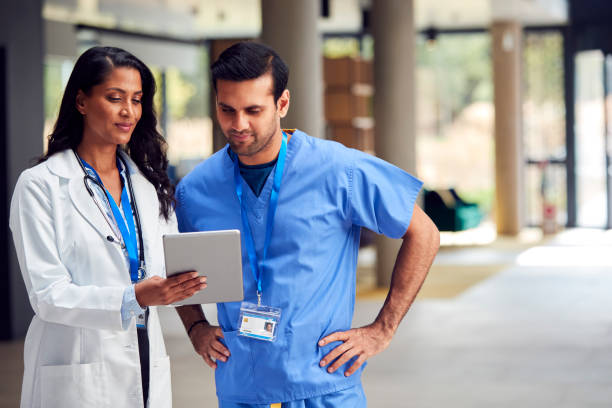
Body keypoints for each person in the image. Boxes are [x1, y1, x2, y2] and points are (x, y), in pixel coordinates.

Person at [175, 41, 440, 407]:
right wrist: (195, 327)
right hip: (242, 385)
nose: (238, 125)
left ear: (282, 103)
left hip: (325, 382)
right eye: (226, 110)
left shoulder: (339, 169)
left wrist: (383, 328)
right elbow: (177, 270)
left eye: (253, 110)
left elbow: (424, 233)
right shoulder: (196, 190)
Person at [9, 46, 206, 408]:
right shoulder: (41, 185)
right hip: (78, 371)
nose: (128, 111)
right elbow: (47, 295)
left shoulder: (147, 186)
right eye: (115, 98)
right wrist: (134, 297)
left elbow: (168, 263)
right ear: (81, 102)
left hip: (145, 356)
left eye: (136, 99)